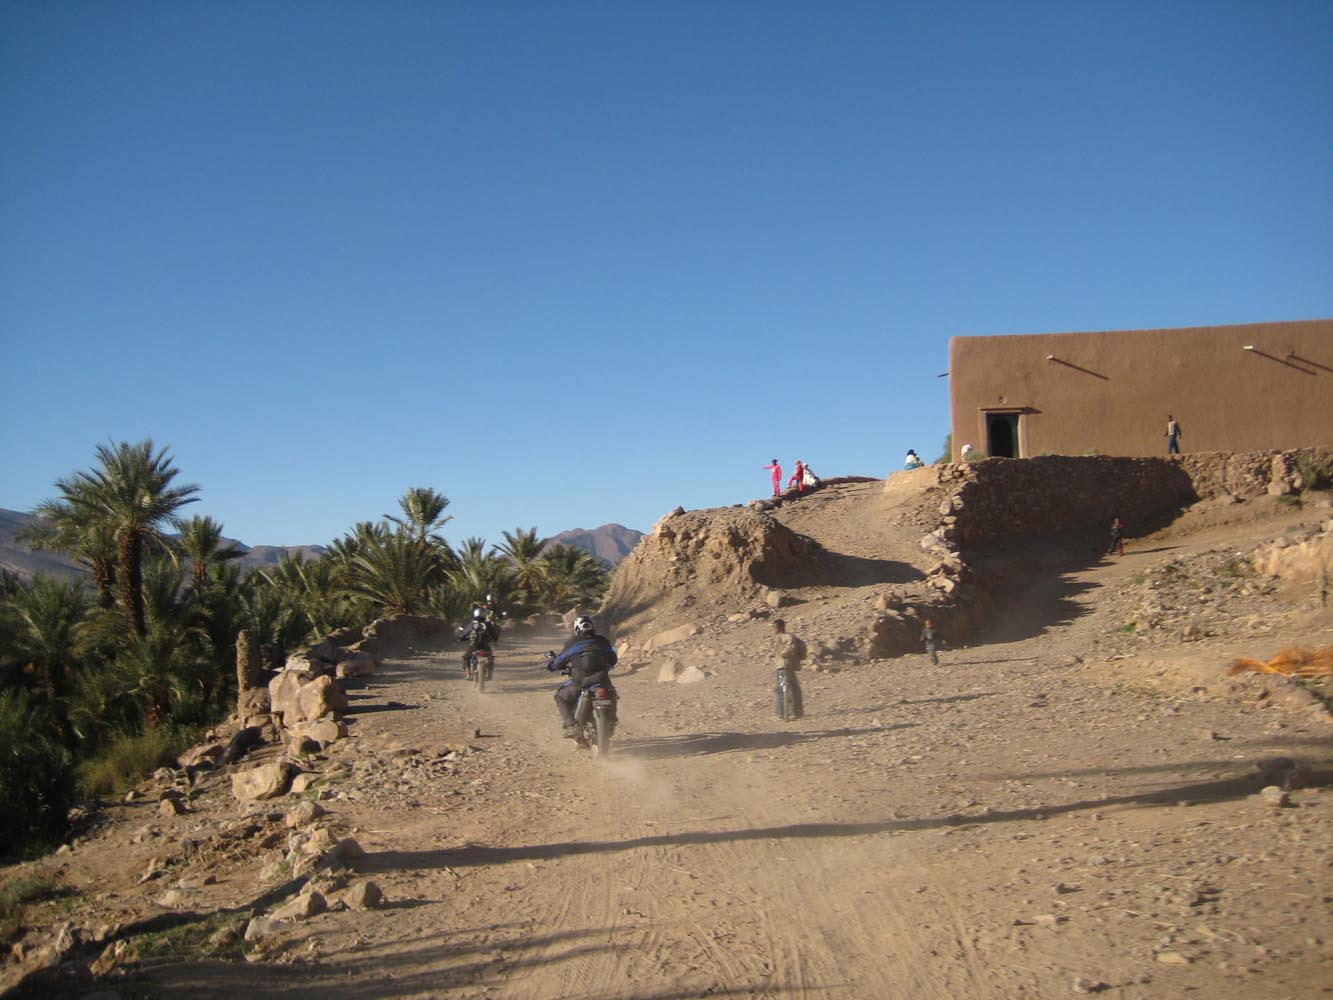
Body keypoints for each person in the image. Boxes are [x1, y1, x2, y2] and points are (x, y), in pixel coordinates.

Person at [546, 615, 618, 738]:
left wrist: (552, 665)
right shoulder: (603, 641)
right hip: (601, 680)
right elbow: (613, 660)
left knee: (560, 696)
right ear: (593, 627)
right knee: (612, 694)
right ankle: (611, 722)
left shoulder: (572, 643)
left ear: (576, 629)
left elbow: (559, 662)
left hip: (579, 681)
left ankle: (571, 726)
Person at [773, 618, 805, 720]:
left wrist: (784, 653)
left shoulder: (783, 636)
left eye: (775, 627)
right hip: (790, 666)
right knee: (795, 688)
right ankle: (798, 711)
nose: (774, 630)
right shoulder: (789, 636)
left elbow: (790, 645)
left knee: (780, 689)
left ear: (781, 627)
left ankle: (781, 713)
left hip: (782, 666)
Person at [457, 607, 498, 677]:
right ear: (484, 614)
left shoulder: (472, 624)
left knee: (466, 657)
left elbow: (463, 634)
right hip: (485, 647)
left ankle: (468, 674)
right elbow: (494, 636)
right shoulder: (487, 624)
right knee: (491, 656)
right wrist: (494, 640)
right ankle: (490, 673)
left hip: (473, 647)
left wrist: (461, 638)